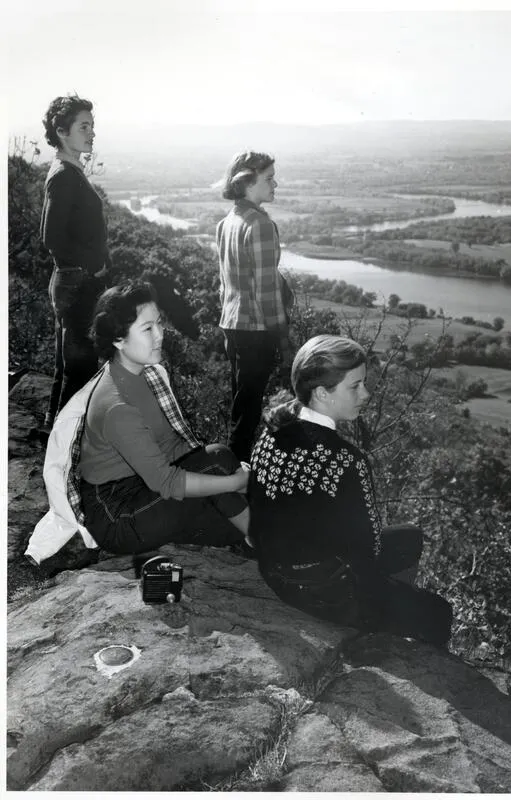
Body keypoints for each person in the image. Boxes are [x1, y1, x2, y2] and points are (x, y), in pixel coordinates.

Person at [248, 335, 453, 646]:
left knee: (409, 537)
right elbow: (368, 547)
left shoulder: (271, 430)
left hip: (276, 572)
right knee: (438, 611)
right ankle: (380, 631)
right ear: (321, 393)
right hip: (325, 592)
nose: (366, 394)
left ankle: (382, 615)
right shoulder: (345, 459)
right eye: (355, 386)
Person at [78, 280, 251, 555]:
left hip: (143, 490)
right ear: (118, 339)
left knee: (219, 462)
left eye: (159, 323)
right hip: (117, 515)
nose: (160, 335)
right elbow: (165, 481)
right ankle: (268, 544)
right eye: (147, 328)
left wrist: (225, 477)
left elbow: (171, 444)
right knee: (222, 478)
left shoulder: (143, 374)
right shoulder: (117, 406)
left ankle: (252, 535)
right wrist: (234, 483)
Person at [216, 151, 294, 463]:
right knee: (249, 411)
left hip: (234, 326)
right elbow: (267, 292)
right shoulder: (260, 225)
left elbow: (225, 286)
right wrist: (285, 342)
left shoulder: (227, 222)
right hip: (257, 330)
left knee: (241, 405)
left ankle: (231, 470)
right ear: (248, 183)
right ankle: (234, 476)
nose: (275, 184)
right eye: (269, 178)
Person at [40, 94, 111, 430]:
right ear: (62, 132)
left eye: (92, 126)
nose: (91, 132)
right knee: (79, 370)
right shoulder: (64, 175)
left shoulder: (70, 170)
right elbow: (51, 237)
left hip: (73, 281)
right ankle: (66, 449)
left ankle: (54, 438)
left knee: (67, 367)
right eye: (84, 126)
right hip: (77, 284)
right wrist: (90, 267)